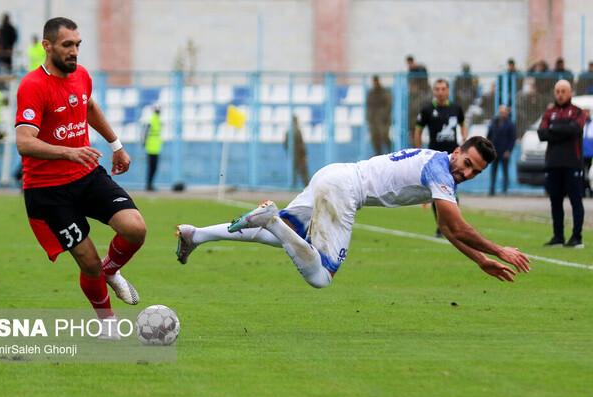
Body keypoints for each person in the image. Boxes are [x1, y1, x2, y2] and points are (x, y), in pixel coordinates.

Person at [176, 137, 530, 287]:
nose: (466, 173)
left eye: (475, 172)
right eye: (467, 163)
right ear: (456, 152)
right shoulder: (440, 171)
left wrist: (480, 261)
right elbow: (459, 226)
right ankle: (274, 220)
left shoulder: (438, 164)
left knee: (276, 238)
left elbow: (450, 231)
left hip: (334, 174)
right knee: (321, 276)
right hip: (345, 190)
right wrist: (498, 250)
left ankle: (197, 234)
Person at [15, 17, 146, 336]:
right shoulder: (33, 86)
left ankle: (111, 271)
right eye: (67, 45)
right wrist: (67, 151)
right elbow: (24, 141)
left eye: (77, 45)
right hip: (49, 192)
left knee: (135, 229)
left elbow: (88, 108)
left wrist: (116, 144)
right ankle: (107, 324)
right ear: (47, 46)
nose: (74, 51)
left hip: (86, 175)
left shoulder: (81, 76)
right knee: (87, 262)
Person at [414, 78, 467, 237]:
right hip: (435, 157)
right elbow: (418, 130)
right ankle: (442, 226)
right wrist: (418, 150)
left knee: (452, 190)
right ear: (434, 91)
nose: (440, 92)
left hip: (453, 156)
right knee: (438, 192)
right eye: (437, 89)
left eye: (443, 89)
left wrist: (464, 140)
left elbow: (463, 124)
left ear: (448, 90)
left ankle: (454, 225)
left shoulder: (456, 108)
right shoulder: (427, 109)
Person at [538, 80, 587, 248]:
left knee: (575, 200)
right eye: (557, 91)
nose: (560, 94)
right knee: (555, 201)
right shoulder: (549, 112)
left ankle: (577, 237)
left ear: (570, 92)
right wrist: (561, 129)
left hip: (572, 163)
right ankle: (558, 236)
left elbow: (575, 129)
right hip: (553, 163)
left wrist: (554, 129)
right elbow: (541, 133)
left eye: (563, 91)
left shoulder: (578, 112)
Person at [487, 105, 516, 195]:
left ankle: (505, 190)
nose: (502, 114)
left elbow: (512, 139)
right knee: (493, 171)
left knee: (505, 171)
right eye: (501, 112)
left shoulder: (510, 124)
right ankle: (492, 189)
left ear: (507, 113)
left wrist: (508, 151)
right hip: (494, 151)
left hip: (504, 152)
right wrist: (488, 148)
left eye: (504, 112)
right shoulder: (494, 122)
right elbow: (489, 135)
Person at [365, 75, 392, 155]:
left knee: (384, 136)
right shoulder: (371, 93)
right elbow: (368, 106)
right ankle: (378, 153)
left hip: (383, 120)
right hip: (373, 120)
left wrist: (383, 115)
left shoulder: (384, 92)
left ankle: (391, 152)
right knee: (374, 138)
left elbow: (388, 105)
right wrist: (369, 117)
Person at [283, 115, 309, 187]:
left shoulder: (288, 131)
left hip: (292, 155)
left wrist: (289, 152)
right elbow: (301, 145)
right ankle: (308, 187)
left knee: (293, 171)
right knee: (304, 172)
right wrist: (304, 155)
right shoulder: (298, 131)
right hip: (300, 155)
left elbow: (285, 144)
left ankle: (292, 185)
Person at [143, 105, 163, 191]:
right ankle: (149, 184)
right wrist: (144, 142)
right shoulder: (153, 120)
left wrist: (144, 142)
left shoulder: (155, 120)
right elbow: (145, 133)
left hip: (154, 147)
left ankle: (150, 184)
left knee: (152, 167)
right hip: (152, 148)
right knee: (152, 167)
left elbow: (145, 133)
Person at [582, 109, 593, 198]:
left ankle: (590, 189)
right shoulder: (581, 125)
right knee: (583, 173)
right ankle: (584, 189)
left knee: (590, 173)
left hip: (590, 154)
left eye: (587, 113)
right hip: (582, 154)